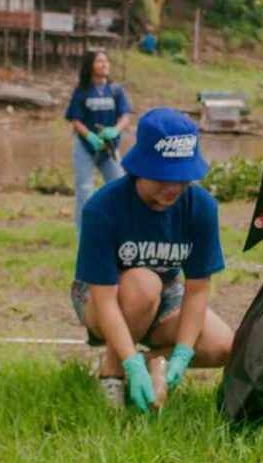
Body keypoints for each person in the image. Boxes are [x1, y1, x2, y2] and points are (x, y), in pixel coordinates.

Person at [70, 107, 234, 413]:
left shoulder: (200, 208)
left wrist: (182, 353)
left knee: (223, 346)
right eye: (162, 177)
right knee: (143, 284)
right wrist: (128, 364)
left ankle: (149, 364)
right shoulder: (103, 208)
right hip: (104, 294)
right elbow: (104, 299)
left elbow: (197, 289)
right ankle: (113, 372)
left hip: (168, 291)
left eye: (181, 178)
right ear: (140, 166)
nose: (173, 188)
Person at [65, 50, 132, 229]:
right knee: (85, 190)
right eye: (100, 61)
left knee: (119, 186)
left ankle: (119, 229)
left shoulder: (116, 90)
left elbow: (125, 115)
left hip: (109, 147)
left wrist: (115, 130)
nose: (105, 65)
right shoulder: (82, 91)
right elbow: (75, 120)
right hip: (85, 146)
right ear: (90, 66)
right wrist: (90, 136)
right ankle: (84, 232)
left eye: (106, 61)